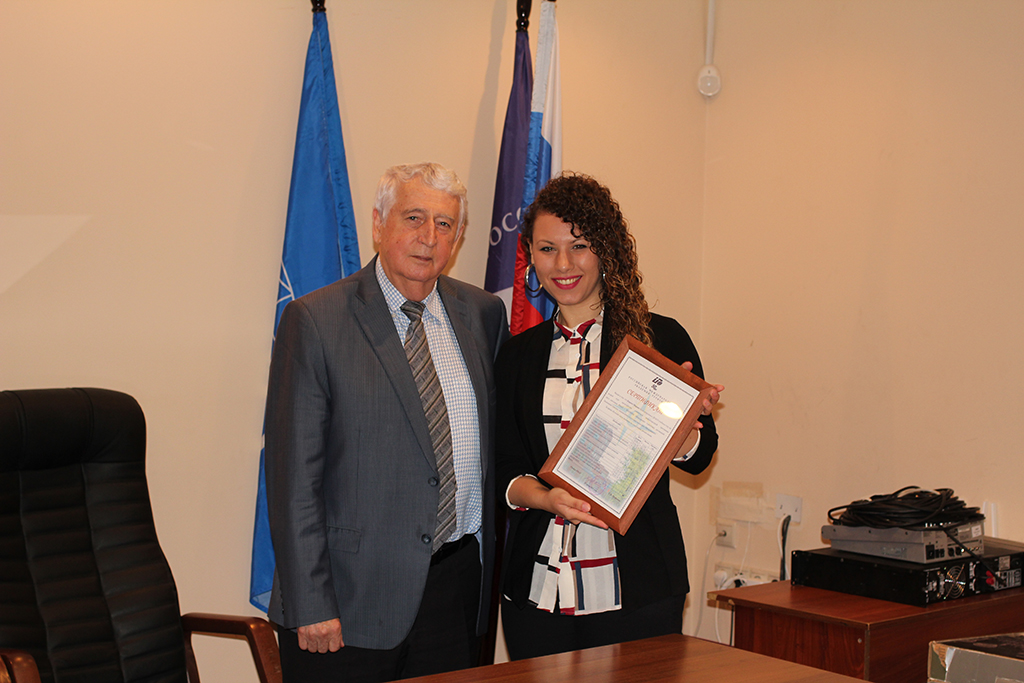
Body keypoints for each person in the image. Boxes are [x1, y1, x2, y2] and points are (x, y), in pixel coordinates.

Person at [264, 162, 510, 683]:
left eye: (444, 224)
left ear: (458, 237)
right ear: (378, 224)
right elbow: (293, 480)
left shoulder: (483, 314)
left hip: (455, 591)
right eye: (413, 217)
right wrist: (310, 602)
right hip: (349, 599)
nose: (428, 237)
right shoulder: (316, 320)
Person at [495, 173, 723, 659]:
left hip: (638, 589)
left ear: (605, 249)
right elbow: (505, 473)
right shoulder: (516, 355)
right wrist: (548, 498)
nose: (563, 264)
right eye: (547, 249)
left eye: (579, 246)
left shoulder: (658, 340)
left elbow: (701, 457)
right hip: (539, 591)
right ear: (530, 256)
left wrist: (684, 433)